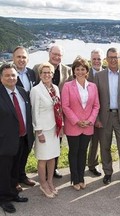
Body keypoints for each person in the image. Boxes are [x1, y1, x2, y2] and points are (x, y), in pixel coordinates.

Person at [94, 47, 120, 191]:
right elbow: (95, 99)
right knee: (105, 146)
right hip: (104, 117)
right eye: (110, 57)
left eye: (116, 57)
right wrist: (97, 118)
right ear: (106, 59)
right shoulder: (99, 76)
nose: (113, 60)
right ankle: (108, 173)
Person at [33, 44, 73, 178]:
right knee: (43, 151)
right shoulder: (38, 68)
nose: (56, 57)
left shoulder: (68, 71)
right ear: (49, 53)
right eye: (54, 54)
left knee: (56, 145)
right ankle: (43, 177)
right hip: (43, 115)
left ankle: (53, 168)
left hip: (58, 116)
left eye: (59, 55)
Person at [61, 56, 100, 191]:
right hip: (73, 125)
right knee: (74, 152)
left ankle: (81, 177)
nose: (80, 72)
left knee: (83, 152)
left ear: (87, 71)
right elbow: (65, 106)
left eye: (83, 69)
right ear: (73, 71)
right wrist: (77, 121)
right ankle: (74, 179)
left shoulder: (93, 87)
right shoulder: (67, 86)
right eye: (77, 69)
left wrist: (89, 121)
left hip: (88, 126)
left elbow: (96, 106)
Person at [0, 63, 33, 213]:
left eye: (13, 75)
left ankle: (13, 193)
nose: (11, 78)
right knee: (4, 172)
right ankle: (4, 199)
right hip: (4, 141)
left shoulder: (22, 91)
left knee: (16, 169)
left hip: (22, 138)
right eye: (7, 75)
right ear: (1, 78)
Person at [30, 62, 62, 198]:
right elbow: (34, 112)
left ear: (52, 74)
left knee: (52, 157)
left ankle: (50, 181)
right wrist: (39, 132)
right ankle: (43, 184)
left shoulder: (55, 88)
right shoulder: (36, 90)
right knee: (43, 159)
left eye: (49, 72)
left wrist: (61, 127)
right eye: (44, 72)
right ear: (40, 74)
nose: (46, 75)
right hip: (43, 130)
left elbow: (59, 108)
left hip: (54, 128)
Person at [12, 46, 37, 190]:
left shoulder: (32, 73)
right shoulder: (9, 73)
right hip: (15, 119)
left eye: (24, 57)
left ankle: (22, 174)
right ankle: (13, 179)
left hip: (29, 118)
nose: (21, 60)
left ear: (27, 59)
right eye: (18, 57)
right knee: (15, 150)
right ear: (13, 58)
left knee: (27, 147)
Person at [87, 48, 104, 177]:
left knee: (96, 141)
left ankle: (92, 164)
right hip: (85, 114)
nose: (97, 61)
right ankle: (78, 165)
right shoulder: (85, 74)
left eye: (99, 59)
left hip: (102, 114)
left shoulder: (107, 74)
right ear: (90, 60)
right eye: (94, 59)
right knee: (82, 143)